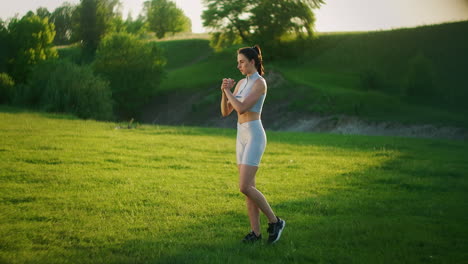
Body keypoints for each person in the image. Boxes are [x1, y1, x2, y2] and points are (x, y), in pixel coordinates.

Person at [220, 45, 285, 244]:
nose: (238, 65)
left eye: (241, 61)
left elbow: (240, 108)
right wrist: (224, 92)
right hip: (240, 136)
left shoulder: (260, 83)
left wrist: (228, 91)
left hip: (255, 134)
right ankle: (255, 233)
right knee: (249, 188)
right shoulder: (240, 83)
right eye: (238, 62)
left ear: (252, 62)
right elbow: (225, 112)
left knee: (244, 186)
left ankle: (275, 221)